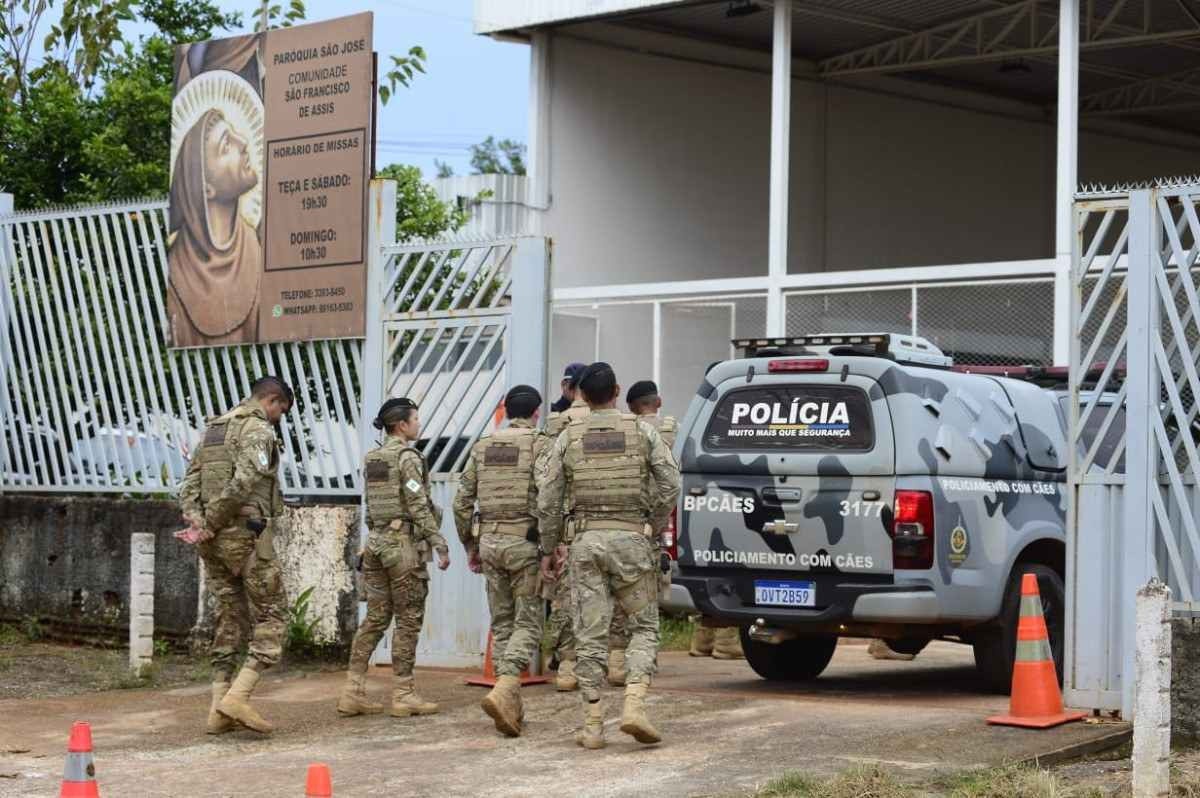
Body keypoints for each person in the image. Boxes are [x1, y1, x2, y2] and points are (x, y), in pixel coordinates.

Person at [537, 362, 681, 749]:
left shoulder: (567, 437)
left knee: (590, 632)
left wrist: (549, 548)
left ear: (581, 394)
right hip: (632, 543)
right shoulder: (643, 431)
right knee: (644, 626)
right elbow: (670, 483)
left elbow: (548, 499)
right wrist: (650, 522)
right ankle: (634, 703)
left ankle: (593, 723)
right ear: (617, 391)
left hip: (585, 545)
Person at [177, 376, 293, 736]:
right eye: (280, 411)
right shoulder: (256, 430)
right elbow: (243, 481)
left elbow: (189, 484)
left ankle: (217, 710)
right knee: (274, 615)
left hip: (211, 541)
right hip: (244, 536)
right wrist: (212, 521)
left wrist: (200, 523)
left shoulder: (214, 429)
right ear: (270, 400)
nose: (278, 419)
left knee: (230, 618)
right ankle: (238, 697)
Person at [337, 398, 451, 719]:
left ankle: (352, 692)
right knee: (408, 619)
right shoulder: (407, 458)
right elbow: (418, 505)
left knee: (375, 618)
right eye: (415, 419)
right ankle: (404, 694)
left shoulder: (373, 458)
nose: (419, 424)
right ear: (401, 425)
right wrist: (438, 542)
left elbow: (371, 508)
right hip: (401, 548)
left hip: (375, 544)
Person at [452, 385, 548, 737]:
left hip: (490, 543)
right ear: (536, 413)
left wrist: (469, 545)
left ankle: (511, 707)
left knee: (503, 622)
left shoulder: (482, 447)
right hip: (525, 544)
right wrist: (552, 547)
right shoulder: (540, 445)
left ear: (506, 411)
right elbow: (550, 500)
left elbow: (462, 502)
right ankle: (506, 685)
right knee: (529, 623)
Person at [605, 380, 686, 684]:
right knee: (648, 595)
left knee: (619, 591)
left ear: (630, 406)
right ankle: (643, 659)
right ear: (659, 401)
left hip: (625, 518)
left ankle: (615, 661)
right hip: (659, 520)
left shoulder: (627, 430)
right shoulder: (673, 427)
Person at [167, 107, 262, 348]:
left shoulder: (257, 246)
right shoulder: (178, 269)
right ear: (206, 188)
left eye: (234, 135)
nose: (242, 143)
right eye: (226, 146)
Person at [542, 361, 591, 691]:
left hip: (567, 523)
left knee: (564, 597)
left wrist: (549, 537)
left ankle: (567, 664)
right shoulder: (619, 425)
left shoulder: (555, 424)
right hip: (603, 522)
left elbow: (546, 482)